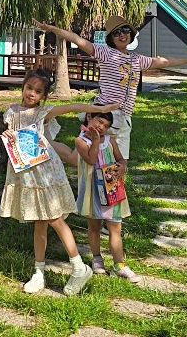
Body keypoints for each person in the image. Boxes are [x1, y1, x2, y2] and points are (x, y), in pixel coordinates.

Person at [34, 15, 187, 278]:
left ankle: (111, 223)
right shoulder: (105, 53)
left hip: (123, 121)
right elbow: (77, 39)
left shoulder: (137, 60)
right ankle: (94, 228)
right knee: (88, 164)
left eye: (126, 31)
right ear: (111, 38)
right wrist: (51, 28)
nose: (122, 35)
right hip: (101, 116)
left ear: (132, 35)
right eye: (117, 32)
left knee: (113, 170)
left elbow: (162, 62)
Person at [0, 68, 121, 295]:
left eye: (38, 91)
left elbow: (73, 107)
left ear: (44, 96)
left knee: (54, 217)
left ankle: (78, 266)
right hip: (24, 173)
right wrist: (6, 134)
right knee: (39, 221)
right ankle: (39, 271)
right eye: (29, 88)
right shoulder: (11, 111)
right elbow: (11, 135)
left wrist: (100, 109)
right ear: (22, 87)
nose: (31, 94)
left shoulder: (44, 112)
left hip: (45, 172)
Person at [74, 110, 134, 280]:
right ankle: (96, 258)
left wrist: (123, 166)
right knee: (94, 226)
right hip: (92, 191)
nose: (101, 127)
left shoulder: (110, 141)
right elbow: (91, 160)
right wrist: (94, 141)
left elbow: (121, 160)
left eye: (106, 126)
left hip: (111, 191)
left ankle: (119, 264)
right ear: (88, 118)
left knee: (115, 227)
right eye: (99, 121)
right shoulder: (81, 141)